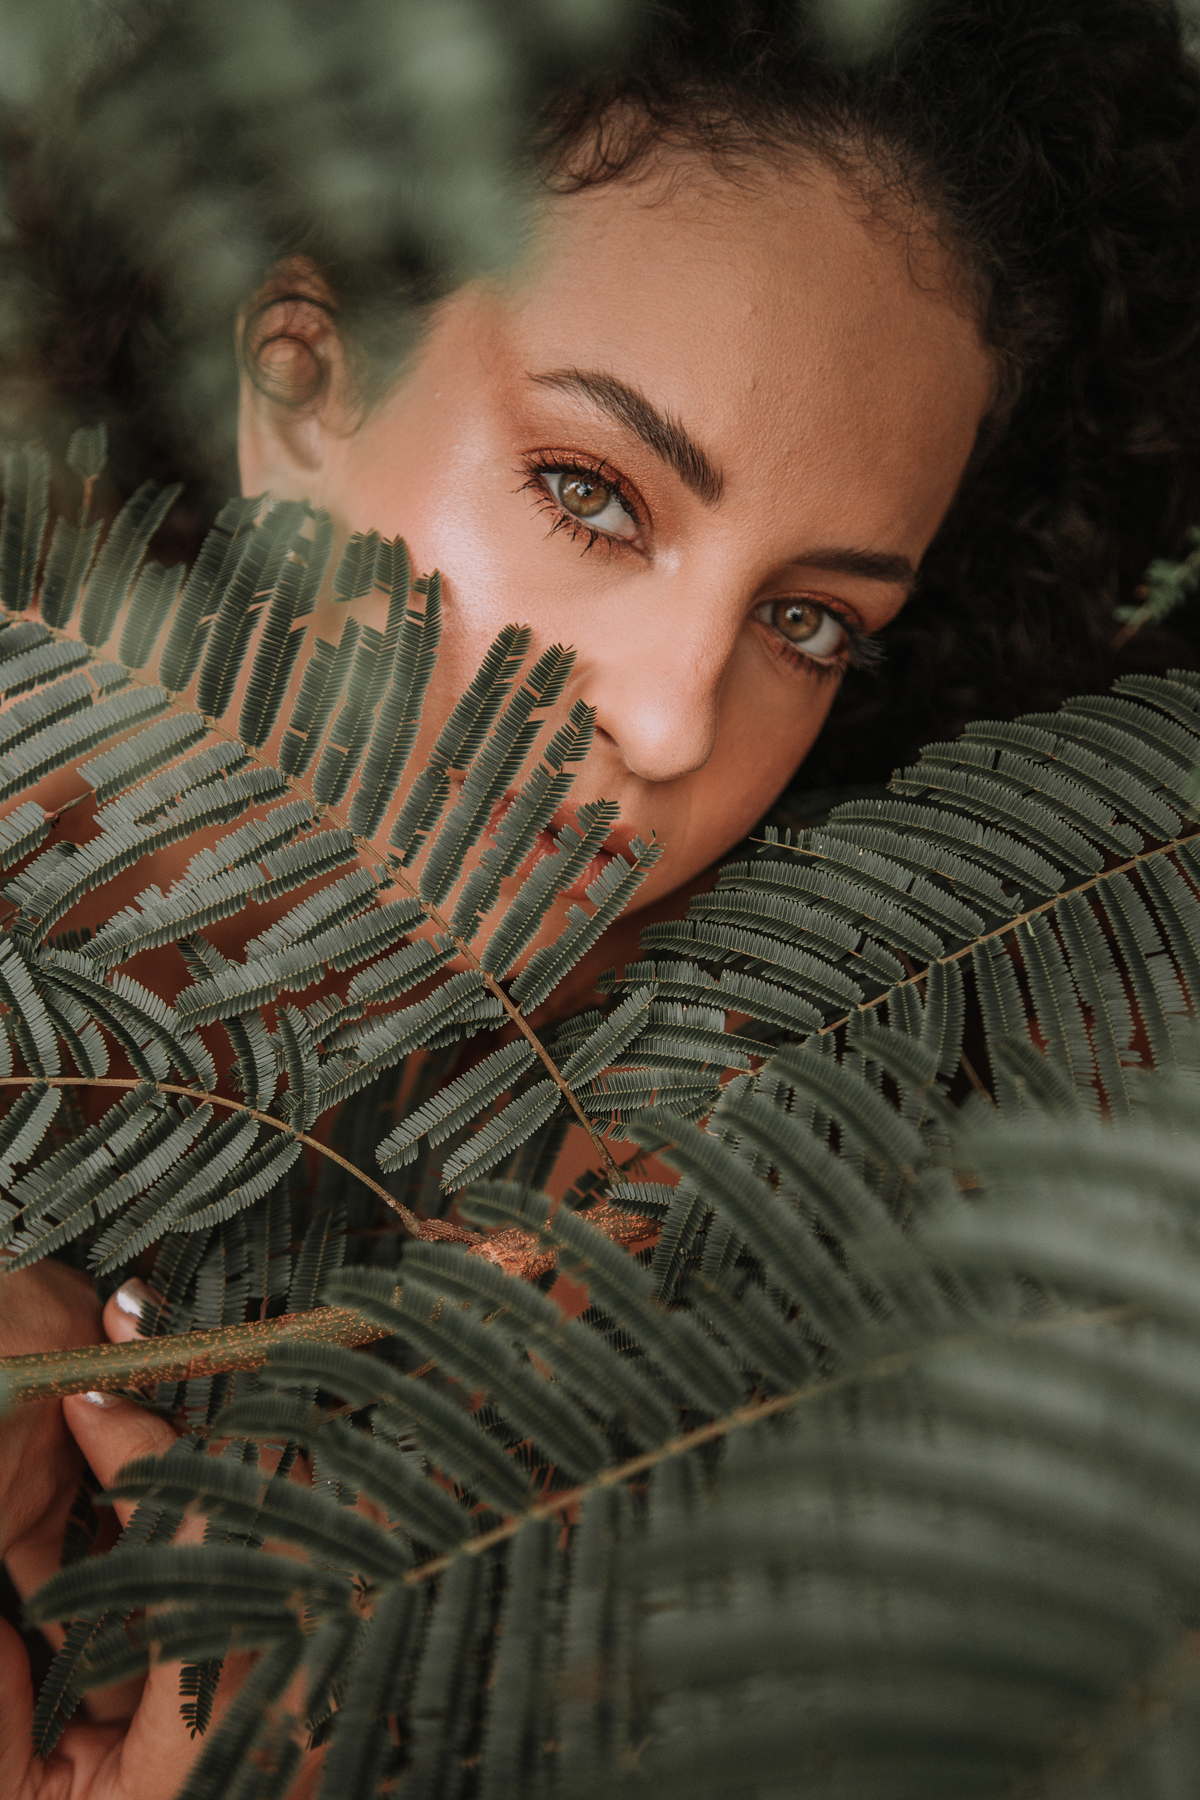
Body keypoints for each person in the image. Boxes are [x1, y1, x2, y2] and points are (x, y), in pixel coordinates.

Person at [2, 1, 1200, 1793]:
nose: (668, 717)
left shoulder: (874, 1174)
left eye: (811, 621)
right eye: (592, 492)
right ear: (298, 380)